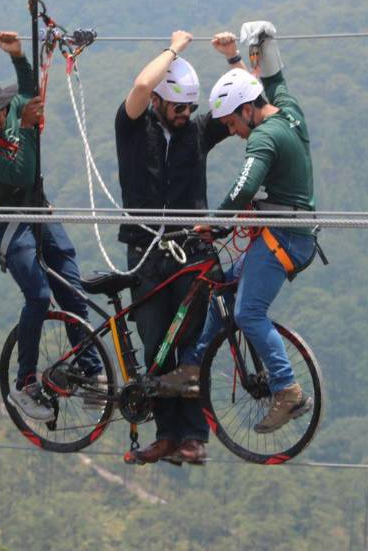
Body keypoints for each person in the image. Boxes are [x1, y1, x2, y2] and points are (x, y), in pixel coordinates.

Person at [162, 20, 318, 434]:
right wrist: (262, 44)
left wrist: (212, 225)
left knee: (249, 312)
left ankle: (287, 390)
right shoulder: (288, 111)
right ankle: (194, 364)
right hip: (287, 233)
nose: (231, 132)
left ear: (248, 109)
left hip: (284, 238)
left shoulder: (263, 138)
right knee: (224, 292)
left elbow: (243, 186)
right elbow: (275, 77)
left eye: (232, 123)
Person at [0, 30, 101, 422]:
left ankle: (92, 373)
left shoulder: (8, 114)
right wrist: (26, 127)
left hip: (38, 213)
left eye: (1, 109)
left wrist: (19, 57)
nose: (1, 116)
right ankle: (24, 383)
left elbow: (27, 94)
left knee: (73, 290)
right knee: (38, 295)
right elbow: (22, 173)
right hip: (8, 226)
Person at [114, 30, 233, 465]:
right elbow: (142, 87)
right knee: (155, 346)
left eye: (191, 107)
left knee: (193, 344)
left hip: (191, 252)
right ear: (161, 103)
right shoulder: (131, 128)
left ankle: (193, 435)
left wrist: (232, 57)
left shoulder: (197, 131)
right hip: (145, 253)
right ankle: (166, 434)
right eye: (178, 106)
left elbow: (242, 102)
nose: (185, 114)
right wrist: (175, 49)